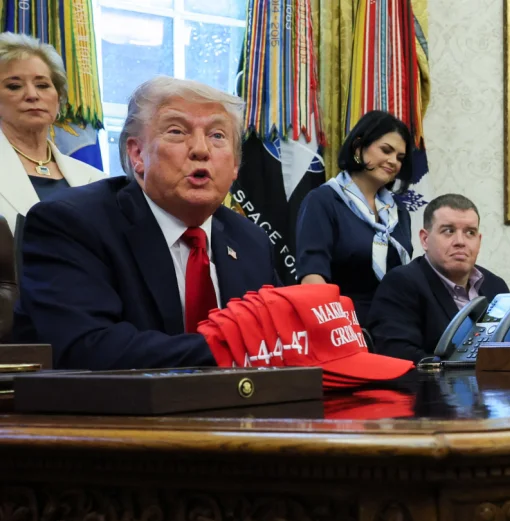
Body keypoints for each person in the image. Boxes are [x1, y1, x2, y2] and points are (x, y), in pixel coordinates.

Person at [13, 76, 281, 370]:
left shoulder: (251, 240)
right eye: (177, 132)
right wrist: (233, 346)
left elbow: (286, 333)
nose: (201, 149)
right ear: (137, 154)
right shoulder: (71, 224)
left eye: (218, 135)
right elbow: (87, 348)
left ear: (234, 166)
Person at [295, 110, 415, 326]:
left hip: (396, 328)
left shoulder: (399, 213)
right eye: (386, 150)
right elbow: (312, 277)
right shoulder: (323, 200)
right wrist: (336, 328)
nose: (393, 162)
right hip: (343, 328)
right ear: (358, 147)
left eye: (400, 157)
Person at [368, 194, 509, 362]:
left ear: (479, 241)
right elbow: (397, 356)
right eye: (448, 231)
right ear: (425, 239)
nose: (460, 241)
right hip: (431, 387)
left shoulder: (496, 286)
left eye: (470, 232)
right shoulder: (401, 283)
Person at [0, 34, 106, 251]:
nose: (32, 95)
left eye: (42, 85)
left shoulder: (95, 179)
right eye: (14, 86)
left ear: (58, 98)